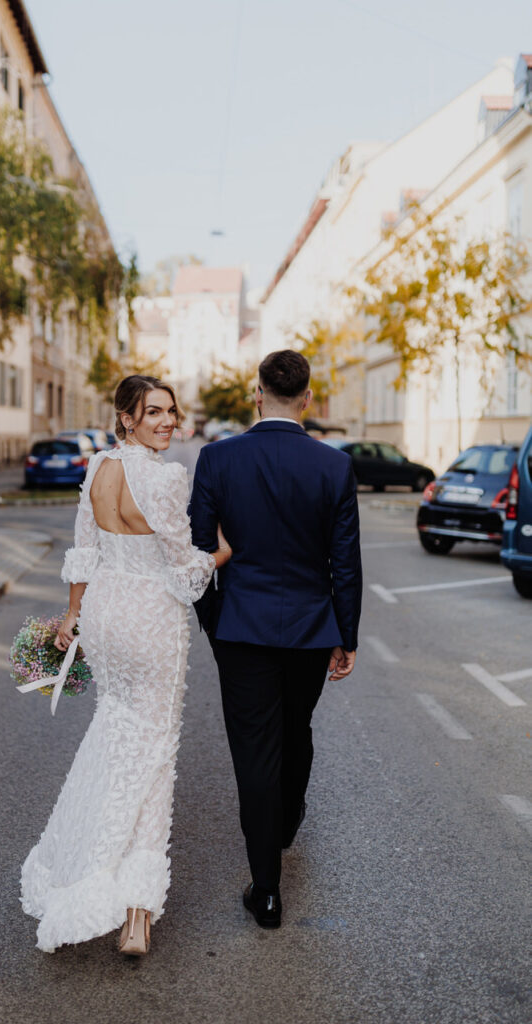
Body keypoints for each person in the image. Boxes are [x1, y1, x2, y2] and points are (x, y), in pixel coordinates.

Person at [20, 375, 231, 955]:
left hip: (105, 616)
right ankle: (136, 913)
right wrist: (222, 553)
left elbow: (84, 551)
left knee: (114, 735)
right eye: (154, 412)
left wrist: (72, 617)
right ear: (127, 418)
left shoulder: (96, 470)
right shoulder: (164, 477)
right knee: (156, 754)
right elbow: (184, 572)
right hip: (150, 619)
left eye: (171, 410)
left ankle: (79, 868)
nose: (168, 421)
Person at [189, 349, 362, 929]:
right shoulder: (334, 466)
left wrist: (213, 620)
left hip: (240, 628)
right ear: (308, 399)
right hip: (313, 631)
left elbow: (197, 554)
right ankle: (286, 821)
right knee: (296, 729)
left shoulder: (216, 459)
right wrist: (347, 633)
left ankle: (266, 890)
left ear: (256, 393)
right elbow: (346, 562)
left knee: (254, 750)